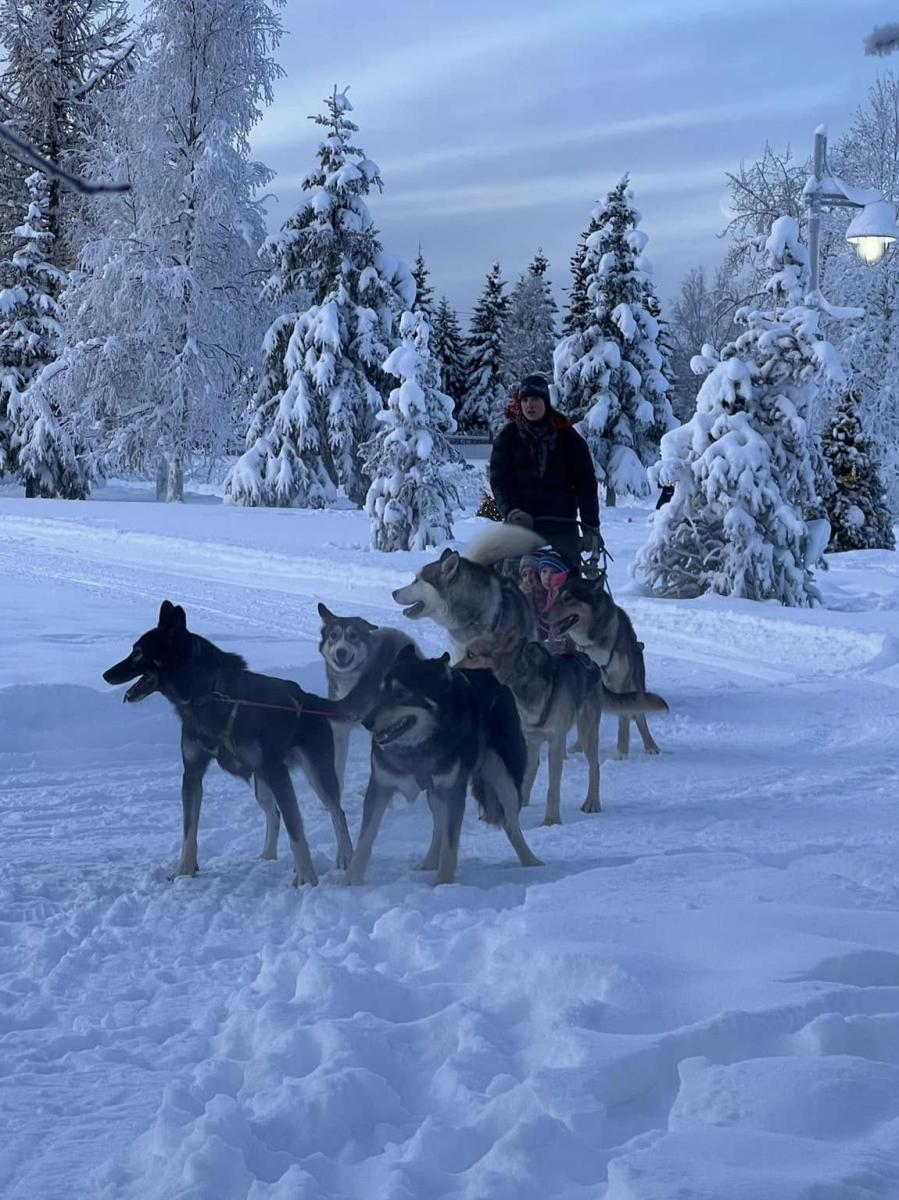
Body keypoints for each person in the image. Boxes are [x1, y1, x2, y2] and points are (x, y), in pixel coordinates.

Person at [489, 373, 600, 568]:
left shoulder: (568, 438)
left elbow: (586, 485)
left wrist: (591, 526)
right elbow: (499, 481)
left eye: (535, 399)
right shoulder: (508, 438)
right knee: (517, 583)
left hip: (562, 528)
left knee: (566, 583)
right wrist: (511, 511)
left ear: (546, 402)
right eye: (525, 400)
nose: (529, 405)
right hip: (521, 528)